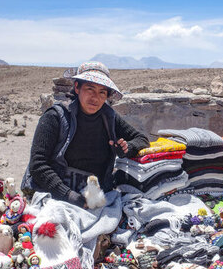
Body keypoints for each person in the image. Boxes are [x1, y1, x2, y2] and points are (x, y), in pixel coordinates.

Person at [22, 61, 150, 206]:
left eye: (102, 92)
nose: (95, 98)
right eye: (90, 89)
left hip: (97, 198)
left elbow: (141, 139)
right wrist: (69, 196)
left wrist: (127, 148)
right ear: (77, 88)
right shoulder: (55, 117)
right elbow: (38, 165)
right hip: (56, 197)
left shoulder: (109, 117)